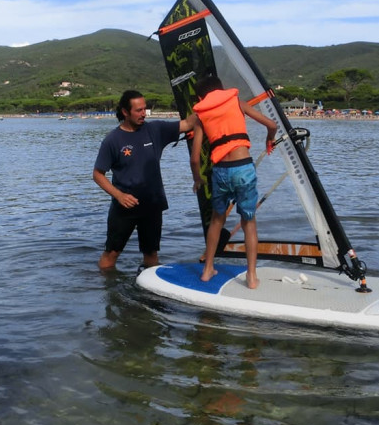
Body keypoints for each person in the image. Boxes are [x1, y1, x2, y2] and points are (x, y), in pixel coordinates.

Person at [93, 90, 196, 272]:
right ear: (125, 112)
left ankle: (147, 295)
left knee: (151, 254)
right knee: (111, 254)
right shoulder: (112, 140)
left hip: (152, 204)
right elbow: (98, 174)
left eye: (145, 109)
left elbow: (188, 123)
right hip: (125, 207)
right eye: (138, 110)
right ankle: (107, 292)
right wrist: (119, 196)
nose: (143, 114)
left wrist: (214, 102)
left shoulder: (155, 129)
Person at [190, 76, 277, 290]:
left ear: (202, 97)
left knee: (217, 220)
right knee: (249, 222)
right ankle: (252, 277)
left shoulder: (201, 114)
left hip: (220, 171)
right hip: (243, 168)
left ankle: (208, 269)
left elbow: (194, 158)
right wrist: (269, 139)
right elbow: (272, 124)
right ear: (221, 89)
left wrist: (197, 179)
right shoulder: (236, 102)